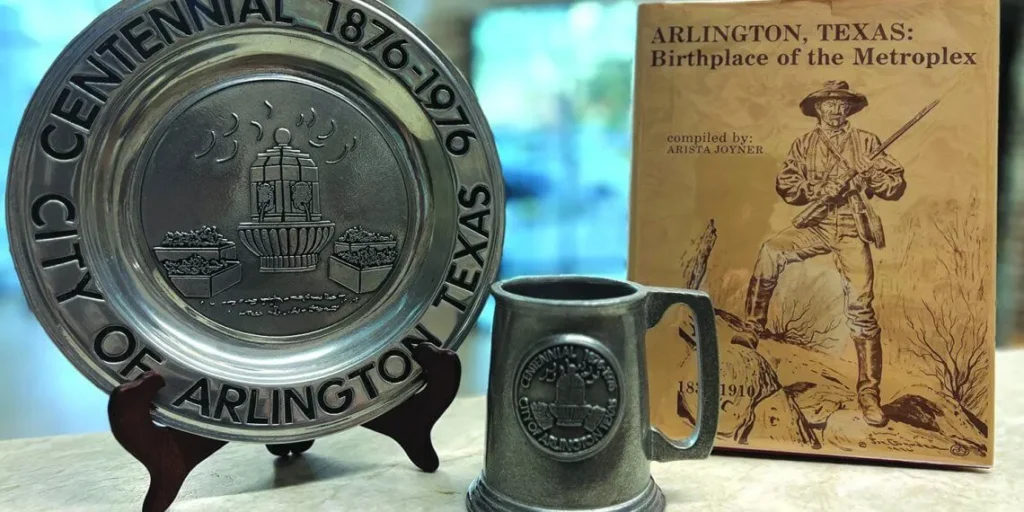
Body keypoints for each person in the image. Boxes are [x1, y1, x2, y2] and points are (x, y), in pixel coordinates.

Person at [732, 80, 907, 427]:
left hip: (852, 228)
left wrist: (872, 176)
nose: (835, 110)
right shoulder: (804, 144)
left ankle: (869, 393)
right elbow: (787, 185)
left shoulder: (867, 143)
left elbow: (895, 184)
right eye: (828, 105)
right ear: (818, 109)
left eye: (841, 104)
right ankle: (752, 328)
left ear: (849, 109)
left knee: (860, 308)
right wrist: (818, 188)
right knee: (770, 250)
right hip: (817, 223)